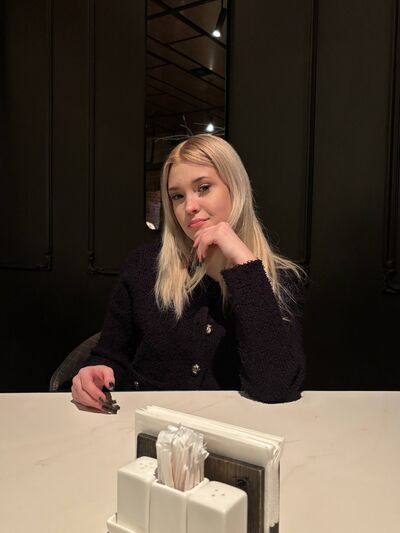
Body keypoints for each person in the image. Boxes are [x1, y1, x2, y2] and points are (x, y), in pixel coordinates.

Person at [71, 134, 306, 411]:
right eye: (177, 196)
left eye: (203, 188)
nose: (189, 206)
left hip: (233, 428)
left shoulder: (279, 277)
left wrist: (244, 263)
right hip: (152, 427)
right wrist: (96, 371)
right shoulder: (144, 267)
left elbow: (276, 387)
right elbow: (111, 355)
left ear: (236, 188)